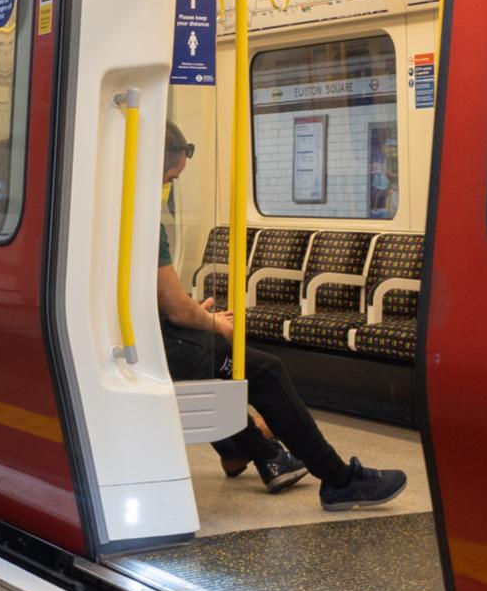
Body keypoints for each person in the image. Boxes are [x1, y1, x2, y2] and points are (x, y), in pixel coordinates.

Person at [155, 120, 406, 510]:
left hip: (150, 335)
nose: (168, 187)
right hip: (163, 343)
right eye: (169, 178)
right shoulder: (144, 225)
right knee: (263, 370)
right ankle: (337, 479)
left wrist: (194, 313)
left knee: (230, 361)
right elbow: (174, 306)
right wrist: (214, 323)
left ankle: (252, 450)